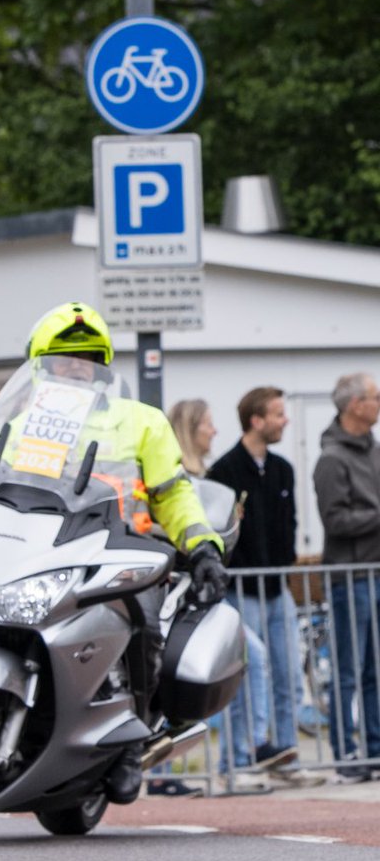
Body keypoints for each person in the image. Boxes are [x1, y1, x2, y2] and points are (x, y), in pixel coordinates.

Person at [26, 303, 228, 805]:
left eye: (87, 360)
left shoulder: (140, 420)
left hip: (118, 547)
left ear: (103, 367)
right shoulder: (27, 422)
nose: (76, 369)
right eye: (64, 360)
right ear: (41, 368)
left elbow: (173, 492)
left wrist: (202, 545)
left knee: (143, 626)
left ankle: (128, 744)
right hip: (37, 547)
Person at [168, 398, 276, 788]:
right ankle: (231, 756)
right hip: (180, 591)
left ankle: (241, 755)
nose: (214, 431)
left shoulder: (206, 476)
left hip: (203, 590)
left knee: (246, 657)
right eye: (208, 424)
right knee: (173, 670)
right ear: (190, 428)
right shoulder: (175, 476)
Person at [208, 387, 304, 777]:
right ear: (256, 420)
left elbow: (290, 521)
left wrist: (285, 564)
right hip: (244, 589)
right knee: (251, 670)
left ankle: (286, 750)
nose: (285, 421)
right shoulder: (225, 471)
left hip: (277, 586)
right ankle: (243, 752)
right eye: (279, 415)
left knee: (289, 672)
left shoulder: (283, 469)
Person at [313, 372, 380, 781]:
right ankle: (346, 753)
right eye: (375, 397)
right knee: (348, 671)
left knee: (374, 669)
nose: (378, 403)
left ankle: (374, 749)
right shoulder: (332, 458)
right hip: (350, 577)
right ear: (354, 405)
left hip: (375, 571)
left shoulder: (374, 452)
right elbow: (334, 519)